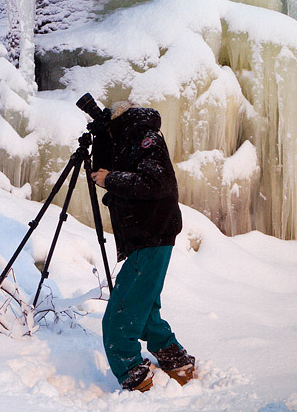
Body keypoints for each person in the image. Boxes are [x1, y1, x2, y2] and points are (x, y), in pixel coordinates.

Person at [90, 102, 195, 392]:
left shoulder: (145, 139)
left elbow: (155, 183)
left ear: (120, 123)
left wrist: (110, 179)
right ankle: (177, 362)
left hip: (151, 234)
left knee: (119, 316)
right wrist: (100, 138)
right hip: (147, 236)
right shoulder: (128, 141)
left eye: (109, 129)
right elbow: (102, 171)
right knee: (144, 308)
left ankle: (134, 375)